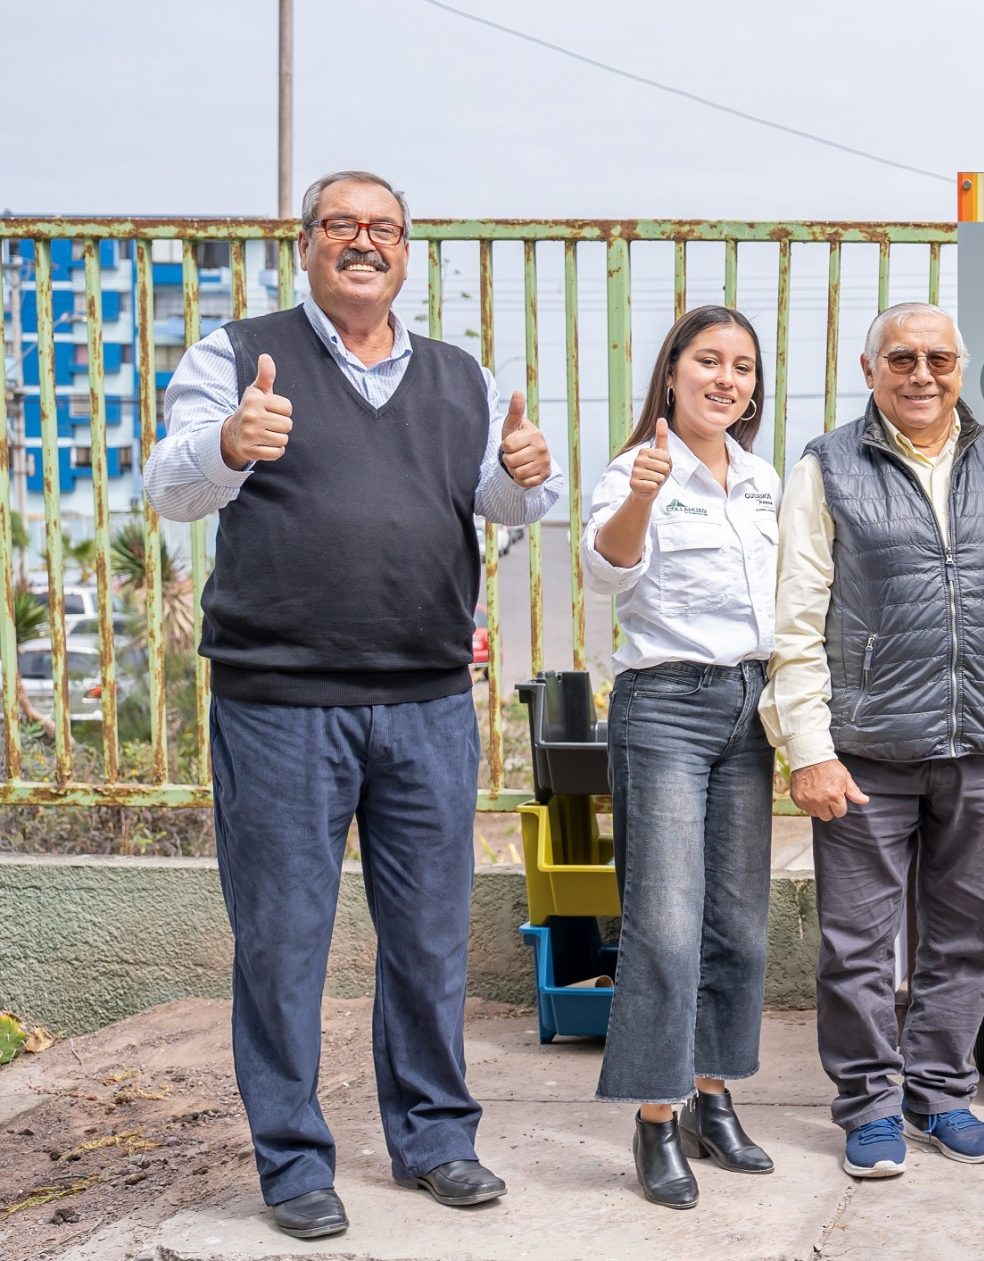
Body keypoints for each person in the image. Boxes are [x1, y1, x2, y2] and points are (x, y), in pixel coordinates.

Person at [141, 170, 560, 1241]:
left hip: (425, 702)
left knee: (428, 939)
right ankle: (291, 1161)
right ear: (308, 244)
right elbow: (169, 485)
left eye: (383, 228)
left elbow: (507, 503)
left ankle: (436, 1138)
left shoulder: (461, 376)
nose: (362, 242)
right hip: (279, 706)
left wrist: (526, 471)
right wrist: (232, 442)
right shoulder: (236, 355)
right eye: (342, 225)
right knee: (283, 941)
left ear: (406, 252)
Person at [760, 301, 984, 1180]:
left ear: (962, 369)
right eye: (903, 358)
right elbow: (796, 621)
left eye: (940, 360)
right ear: (869, 368)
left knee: (967, 937)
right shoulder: (827, 466)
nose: (923, 375)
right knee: (860, 942)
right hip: (868, 745)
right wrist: (809, 748)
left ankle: (941, 1091)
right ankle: (869, 1105)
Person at [581, 306, 780, 1209]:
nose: (725, 379)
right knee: (665, 923)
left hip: (751, 708)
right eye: (708, 360)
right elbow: (607, 570)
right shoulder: (636, 470)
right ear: (672, 372)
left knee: (738, 923)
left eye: (741, 366)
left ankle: (713, 1095)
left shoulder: (766, 481)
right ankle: (656, 1119)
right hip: (665, 707)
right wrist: (644, 496)